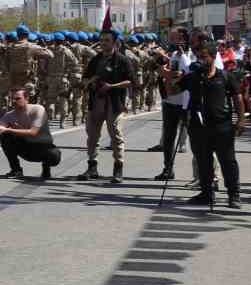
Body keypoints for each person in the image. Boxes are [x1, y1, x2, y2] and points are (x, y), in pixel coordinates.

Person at [180, 39, 246, 209]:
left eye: (204, 57)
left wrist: (241, 120)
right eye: (199, 57)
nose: (201, 60)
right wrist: (166, 75)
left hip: (222, 127)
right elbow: (173, 89)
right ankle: (206, 194)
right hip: (199, 127)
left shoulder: (225, 76)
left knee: (228, 161)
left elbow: (237, 97)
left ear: (213, 56)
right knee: (203, 162)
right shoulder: (194, 77)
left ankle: (234, 195)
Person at [77, 28, 137, 183]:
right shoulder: (95, 60)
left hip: (114, 102)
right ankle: (92, 167)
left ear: (115, 42)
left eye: (107, 40)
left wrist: (112, 86)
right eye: (101, 40)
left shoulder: (122, 60)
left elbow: (131, 82)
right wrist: (91, 82)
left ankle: (118, 169)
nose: (103, 43)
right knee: (92, 135)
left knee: (115, 135)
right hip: (96, 101)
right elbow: (84, 79)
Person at [151, 28, 194, 181]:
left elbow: (188, 73)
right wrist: (160, 64)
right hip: (170, 101)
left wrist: (182, 60)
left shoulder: (193, 55)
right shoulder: (172, 55)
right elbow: (164, 72)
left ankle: (203, 174)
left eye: (174, 38)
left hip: (187, 102)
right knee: (169, 137)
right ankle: (168, 169)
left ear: (184, 38)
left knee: (196, 139)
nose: (171, 41)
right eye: (171, 38)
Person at [0, 88, 61, 180]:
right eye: (11, 98)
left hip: (42, 149)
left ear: (26, 99)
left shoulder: (38, 109)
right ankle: (16, 170)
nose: (13, 101)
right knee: (4, 135)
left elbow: (33, 132)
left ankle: (46, 168)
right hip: (25, 149)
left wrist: (9, 130)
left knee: (54, 155)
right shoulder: (9, 115)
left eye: (17, 98)